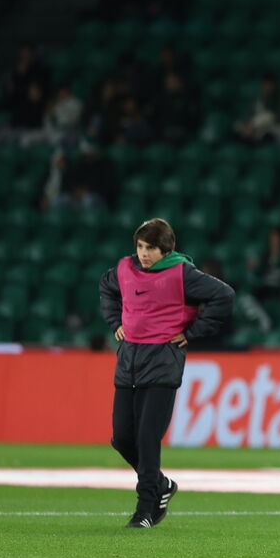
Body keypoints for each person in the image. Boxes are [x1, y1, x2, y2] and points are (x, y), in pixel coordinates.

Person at [98, 218, 234, 527]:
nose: (144, 254)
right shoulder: (124, 269)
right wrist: (115, 321)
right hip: (129, 361)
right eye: (140, 246)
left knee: (147, 437)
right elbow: (106, 287)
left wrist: (194, 332)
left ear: (166, 250)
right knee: (122, 438)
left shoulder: (182, 273)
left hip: (162, 361)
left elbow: (224, 295)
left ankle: (146, 509)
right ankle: (160, 484)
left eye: (151, 248)